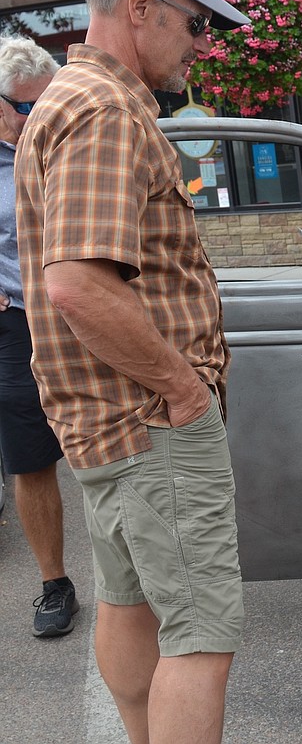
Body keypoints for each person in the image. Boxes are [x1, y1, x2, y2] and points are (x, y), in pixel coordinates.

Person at [14, 0, 248, 742]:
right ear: (141, 6)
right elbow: (78, 285)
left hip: (109, 422)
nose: (201, 45)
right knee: (200, 634)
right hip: (152, 424)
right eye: (196, 23)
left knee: (127, 599)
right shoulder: (106, 110)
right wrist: (183, 390)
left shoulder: (67, 101)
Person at [0, 36, 80, 639]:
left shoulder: (70, 141)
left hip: (86, 313)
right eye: (25, 107)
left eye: (42, 104)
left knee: (121, 438)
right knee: (31, 458)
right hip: (16, 322)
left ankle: (144, 574)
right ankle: (54, 583)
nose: (36, 117)